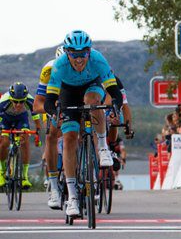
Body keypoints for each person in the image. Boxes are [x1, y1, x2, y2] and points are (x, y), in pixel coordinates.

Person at [43, 30, 126, 219]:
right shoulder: (60, 65)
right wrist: (53, 112)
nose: (79, 59)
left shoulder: (98, 59)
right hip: (68, 92)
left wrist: (116, 106)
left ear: (89, 52)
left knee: (92, 101)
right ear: (67, 52)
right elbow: (50, 99)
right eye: (74, 54)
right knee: (70, 137)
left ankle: (103, 147)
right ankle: (72, 197)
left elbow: (114, 90)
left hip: (92, 86)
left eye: (83, 54)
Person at [33, 47, 64, 208]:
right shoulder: (49, 69)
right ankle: (53, 184)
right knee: (51, 134)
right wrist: (52, 109)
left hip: (72, 99)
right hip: (53, 104)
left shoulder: (84, 66)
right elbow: (37, 104)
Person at [0, 83, 35, 190]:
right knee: (4, 142)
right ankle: (1, 172)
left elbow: (36, 115)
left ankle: (24, 176)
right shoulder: (3, 102)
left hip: (21, 119)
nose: (18, 105)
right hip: (5, 119)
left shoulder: (30, 100)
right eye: (15, 101)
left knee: (25, 140)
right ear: (11, 98)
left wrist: (38, 131)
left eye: (21, 102)